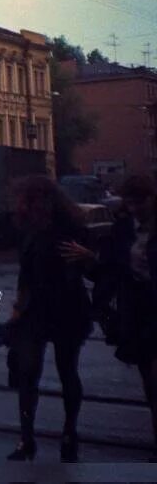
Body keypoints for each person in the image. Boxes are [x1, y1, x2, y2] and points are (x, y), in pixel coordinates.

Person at [62, 174, 157, 461]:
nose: (136, 207)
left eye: (141, 201)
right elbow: (111, 271)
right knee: (149, 383)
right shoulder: (125, 229)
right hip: (139, 312)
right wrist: (90, 259)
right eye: (130, 201)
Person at [6, 175, 92, 463]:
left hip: (64, 306)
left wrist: (88, 258)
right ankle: (28, 438)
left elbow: (88, 267)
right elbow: (25, 271)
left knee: (62, 370)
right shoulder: (31, 227)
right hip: (41, 309)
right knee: (30, 373)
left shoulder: (66, 227)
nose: (21, 205)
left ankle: (67, 432)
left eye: (26, 200)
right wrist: (18, 306)